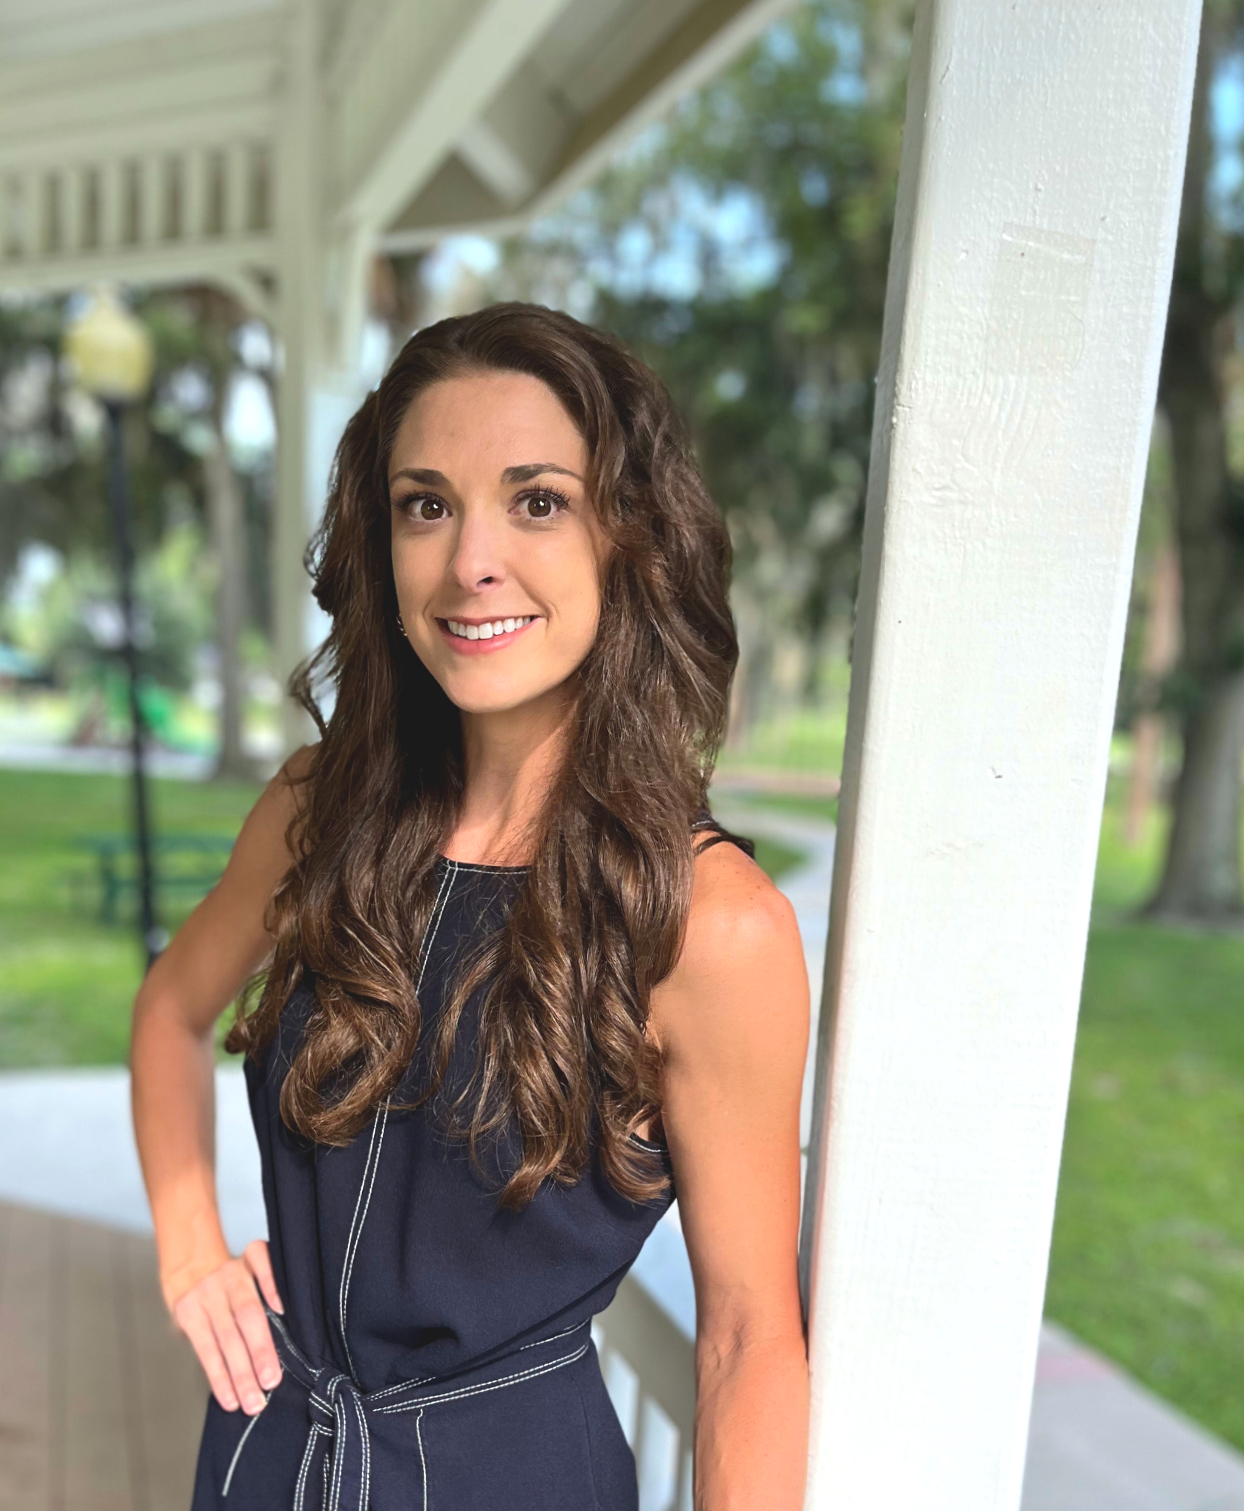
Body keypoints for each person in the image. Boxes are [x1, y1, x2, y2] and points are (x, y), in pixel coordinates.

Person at [130, 302, 811, 1511]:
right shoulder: (313, 809)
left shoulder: (710, 923)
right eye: (425, 502)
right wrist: (190, 1244)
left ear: (625, 536)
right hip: (266, 1451)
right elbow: (171, 1007)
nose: (467, 561)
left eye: (535, 499)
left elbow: (748, 1335)